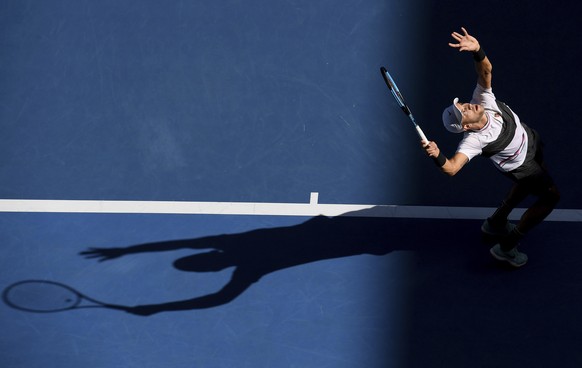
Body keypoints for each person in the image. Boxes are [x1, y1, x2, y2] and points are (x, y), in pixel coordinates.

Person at [423, 27, 559, 267]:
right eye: (463, 112)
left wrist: (477, 50)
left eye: (462, 105)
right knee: (550, 197)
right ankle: (507, 247)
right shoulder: (473, 141)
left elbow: (485, 71)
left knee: (532, 181)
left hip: (530, 142)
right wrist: (438, 155)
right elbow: (452, 168)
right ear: (465, 127)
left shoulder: (481, 100)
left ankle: (496, 223)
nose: (467, 106)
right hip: (522, 164)